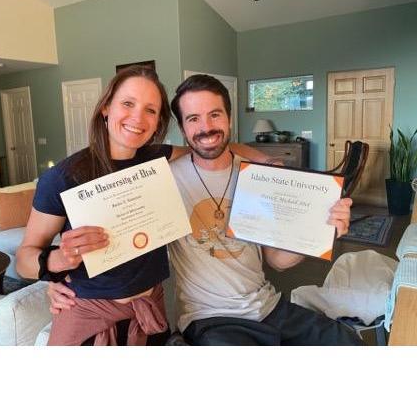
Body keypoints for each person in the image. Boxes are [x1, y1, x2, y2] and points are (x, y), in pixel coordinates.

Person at [48, 73, 362, 345]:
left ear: (229, 118)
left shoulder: (259, 178)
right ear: (183, 129)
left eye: (215, 115)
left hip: (268, 306)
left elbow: (278, 261)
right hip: (209, 319)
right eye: (193, 119)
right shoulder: (159, 178)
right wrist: (59, 277)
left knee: (348, 343)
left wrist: (321, 231)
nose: (206, 127)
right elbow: (116, 232)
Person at [16, 66, 273, 346]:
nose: (138, 118)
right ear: (106, 107)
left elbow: (213, 147)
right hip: (88, 316)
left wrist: (269, 163)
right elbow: (24, 259)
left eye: (150, 110)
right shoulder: (63, 177)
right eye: (128, 103)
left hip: (150, 312)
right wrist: (56, 263)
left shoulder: (155, 158)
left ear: (157, 121)